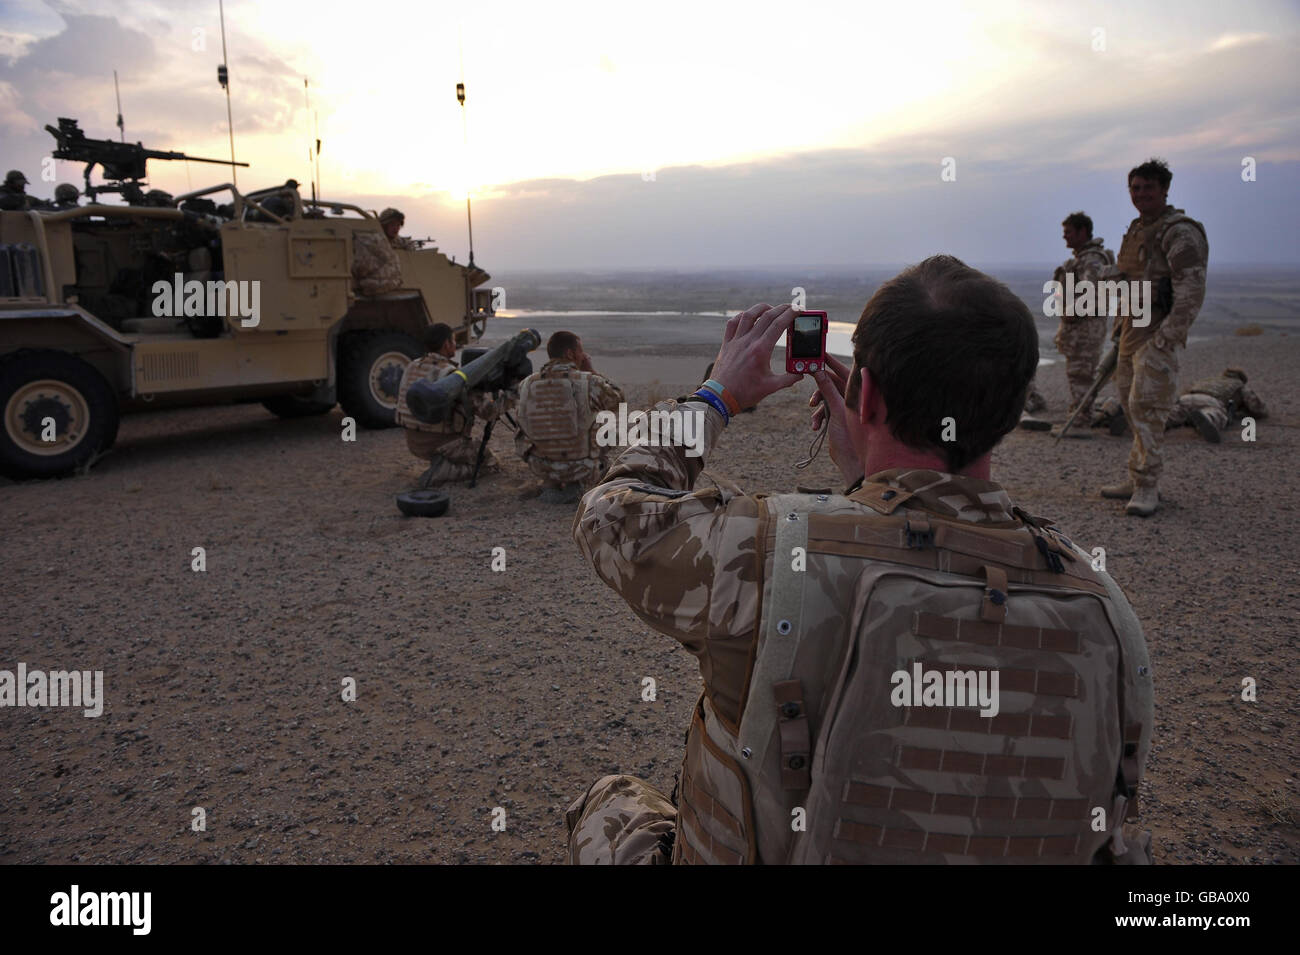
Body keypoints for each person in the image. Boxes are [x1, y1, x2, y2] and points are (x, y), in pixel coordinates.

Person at [567, 256, 1154, 865]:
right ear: (1008, 413)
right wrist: (872, 480)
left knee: (609, 804)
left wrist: (717, 395)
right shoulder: (1101, 605)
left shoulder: (767, 554)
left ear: (864, 395)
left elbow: (611, 516)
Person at [1100, 158, 1208, 517]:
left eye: (1148, 187)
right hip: (1132, 329)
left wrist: (1167, 338)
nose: (1141, 194)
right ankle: (1135, 476)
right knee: (1133, 408)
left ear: (1164, 190)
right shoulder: (1136, 230)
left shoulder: (1180, 232)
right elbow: (1130, 282)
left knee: (1149, 407)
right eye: (1135, 188)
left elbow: (1191, 290)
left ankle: (1148, 486)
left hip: (1156, 334)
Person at [394, 323, 507, 484]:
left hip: (413, 441)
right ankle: (443, 472)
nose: (455, 344)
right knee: (490, 464)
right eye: (453, 341)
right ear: (446, 344)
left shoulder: (412, 366)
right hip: (443, 443)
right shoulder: (452, 377)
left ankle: (442, 463)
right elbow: (488, 412)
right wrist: (510, 397)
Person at [514, 331, 625, 496]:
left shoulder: (526, 384)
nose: (583, 356)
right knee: (610, 427)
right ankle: (586, 475)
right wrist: (592, 371)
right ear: (570, 353)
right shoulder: (589, 382)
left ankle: (551, 482)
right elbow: (619, 400)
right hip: (582, 467)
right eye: (580, 351)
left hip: (540, 466)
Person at [1052, 212, 1114, 415]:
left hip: (1086, 329)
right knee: (1078, 373)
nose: (1065, 236)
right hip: (1080, 328)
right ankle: (1081, 413)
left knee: (1081, 374)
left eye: (1068, 232)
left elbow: (1092, 293)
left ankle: (1081, 419)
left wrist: (1070, 312)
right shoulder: (1082, 259)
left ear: (1083, 231)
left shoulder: (1092, 260)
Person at [1165, 368, 1267, 443]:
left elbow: (1186, 390)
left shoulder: (1208, 380)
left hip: (1188, 397)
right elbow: (1255, 406)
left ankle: (1161, 422)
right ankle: (1208, 418)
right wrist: (1262, 412)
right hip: (1212, 401)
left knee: (1177, 412)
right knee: (1215, 413)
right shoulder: (1238, 384)